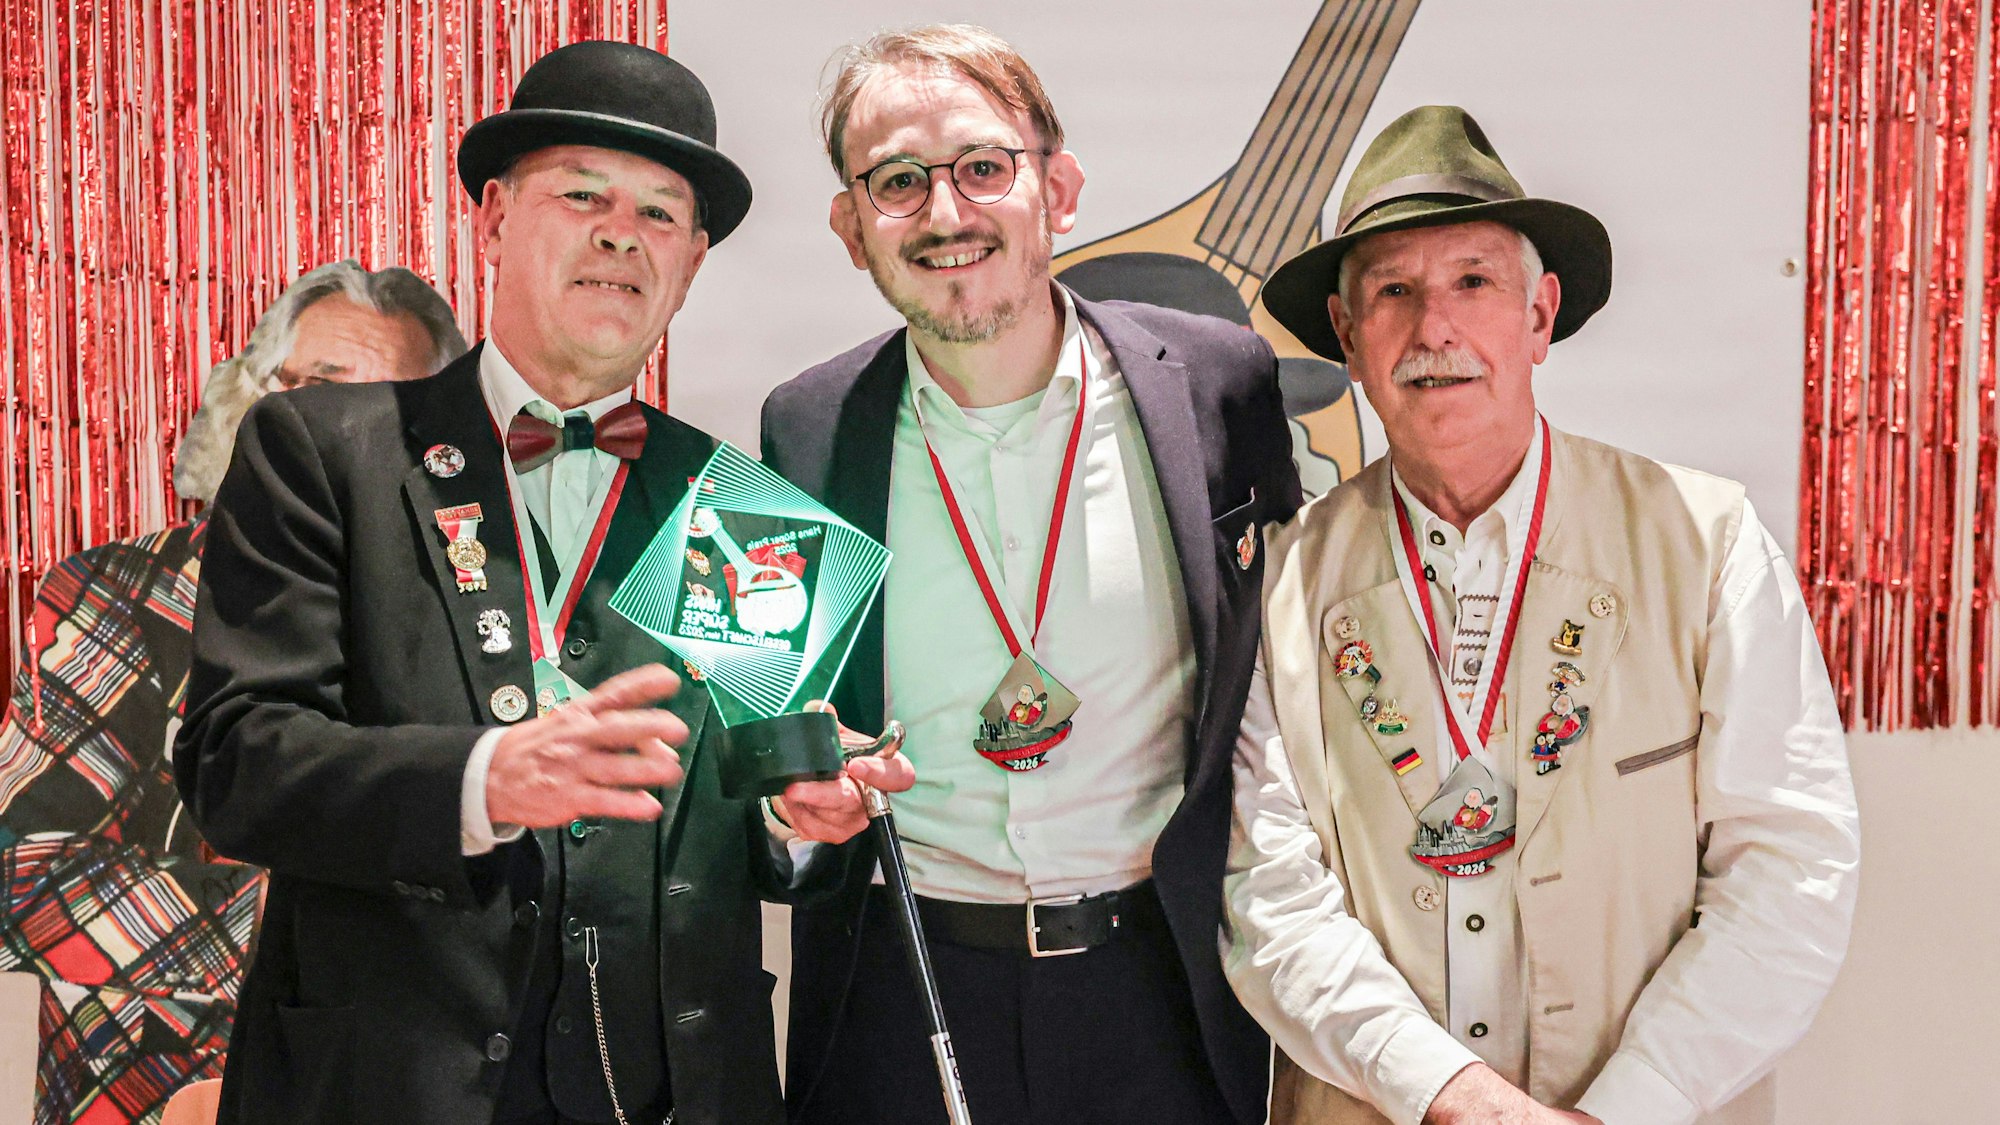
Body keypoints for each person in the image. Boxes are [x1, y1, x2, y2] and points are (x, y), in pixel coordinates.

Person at [173, 42, 905, 1125]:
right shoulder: (322, 449)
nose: (621, 233)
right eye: (582, 195)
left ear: (691, 262)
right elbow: (236, 764)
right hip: (389, 1088)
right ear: (494, 217)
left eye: (660, 214)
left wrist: (806, 812)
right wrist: (483, 779)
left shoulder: (742, 506)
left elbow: (763, 820)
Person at [1225, 105, 1859, 1124]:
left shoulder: (1708, 543)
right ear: (1347, 336)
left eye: (1473, 282)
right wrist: (1453, 1098)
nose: (1433, 328)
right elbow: (1266, 893)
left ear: (1538, 315)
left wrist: (1626, 1106)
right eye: (1393, 291)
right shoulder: (1283, 582)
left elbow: (1791, 865)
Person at [760, 24, 1300, 1125]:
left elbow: (1287, 671)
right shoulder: (801, 429)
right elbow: (768, 733)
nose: (945, 213)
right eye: (896, 182)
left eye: (982, 167)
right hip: (899, 994)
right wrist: (792, 801)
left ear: (1059, 189)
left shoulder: (1218, 383)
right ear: (850, 227)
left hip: (1164, 992)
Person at [0, 259, 462, 1125]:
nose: (345, 432)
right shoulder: (117, 597)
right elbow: (29, 872)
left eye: (393, 411)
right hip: (141, 1084)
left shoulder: (474, 624)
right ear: (250, 401)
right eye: (321, 391)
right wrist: (337, 927)